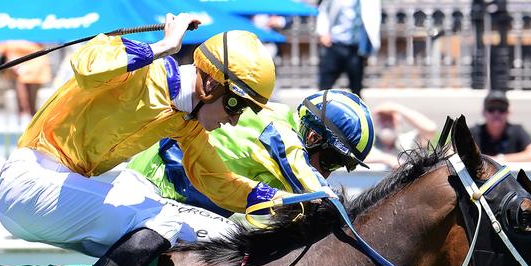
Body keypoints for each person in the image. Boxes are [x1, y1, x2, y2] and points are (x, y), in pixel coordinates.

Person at [0, 14, 287, 266]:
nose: (236, 120)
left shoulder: (185, 122)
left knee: (182, 223)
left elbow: (216, 180)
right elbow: (86, 63)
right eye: (237, 105)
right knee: (159, 217)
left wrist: (275, 200)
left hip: (56, 190)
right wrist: (163, 47)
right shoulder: (142, 73)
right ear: (209, 86)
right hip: (29, 182)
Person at [125, 89, 376, 219]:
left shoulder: (290, 140)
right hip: (155, 186)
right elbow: (318, 192)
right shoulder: (279, 131)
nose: (328, 172)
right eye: (332, 160)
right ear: (313, 137)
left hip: (180, 196)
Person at [316, 0, 381, 96]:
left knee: (356, 87)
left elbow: (373, 19)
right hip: (335, 44)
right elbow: (323, 11)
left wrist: (370, 46)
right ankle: (320, 108)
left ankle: (357, 109)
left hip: (356, 47)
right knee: (325, 85)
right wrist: (323, 33)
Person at [470, 90, 531, 163]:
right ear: (483, 112)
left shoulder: (517, 131)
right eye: (491, 109)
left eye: (501, 109)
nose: (496, 114)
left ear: (508, 112)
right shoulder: (472, 133)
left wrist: (498, 160)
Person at [365, 103, 437, 168]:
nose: (386, 122)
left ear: (399, 122)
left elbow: (430, 129)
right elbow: (355, 158)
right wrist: (386, 159)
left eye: (390, 118)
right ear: (375, 122)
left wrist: (397, 108)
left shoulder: (408, 141)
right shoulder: (368, 144)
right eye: (382, 118)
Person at [0, 41, 52, 125]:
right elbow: (3, 49)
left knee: (32, 103)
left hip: (35, 64)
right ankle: (23, 123)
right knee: (23, 102)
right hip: (16, 64)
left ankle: (33, 126)